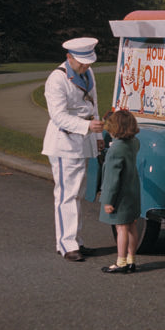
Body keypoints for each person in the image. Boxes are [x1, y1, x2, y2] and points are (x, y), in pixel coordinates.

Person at [42, 37, 104, 262]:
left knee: (77, 193)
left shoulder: (88, 73)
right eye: (81, 63)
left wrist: (97, 136)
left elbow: (93, 105)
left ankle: (75, 240)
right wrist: (87, 127)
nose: (86, 66)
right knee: (66, 194)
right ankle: (66, 244)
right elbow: (58, 116)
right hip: (64, 143)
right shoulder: (56, 79)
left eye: (88, 62)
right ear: (69, 57)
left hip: (83, 140)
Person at [98, 109, 141, 274]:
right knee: (132, 227)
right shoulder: (134, 143)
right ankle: (132, 260)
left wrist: (108, 200)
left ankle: (120, 261)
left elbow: (112, 179)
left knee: (121, 229)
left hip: (120, 196)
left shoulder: (116, 149)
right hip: (132, 191)